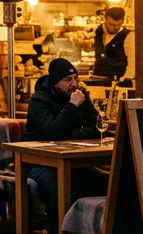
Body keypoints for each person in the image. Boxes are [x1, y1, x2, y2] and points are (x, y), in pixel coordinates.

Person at [24, 58, 106, 221]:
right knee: (62, 189)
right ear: (55, 83)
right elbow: (52, 131)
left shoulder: (80, 96)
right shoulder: (39, 100)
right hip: (40, 162)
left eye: (76, 78)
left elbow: (97, 129)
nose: (74, 83)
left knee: (107, 181)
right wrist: (72, 106)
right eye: (68, 80)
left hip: (72, 160)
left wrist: (67, 134)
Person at [92, 7, 130, 82]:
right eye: (111, 24)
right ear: (105, 19)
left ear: (122, 22)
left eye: (118, 25)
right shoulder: (99, 31)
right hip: (98, 77)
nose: (114, 28)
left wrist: (125, 79)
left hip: (117, 78)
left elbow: (132, 61)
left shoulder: (127, 35)